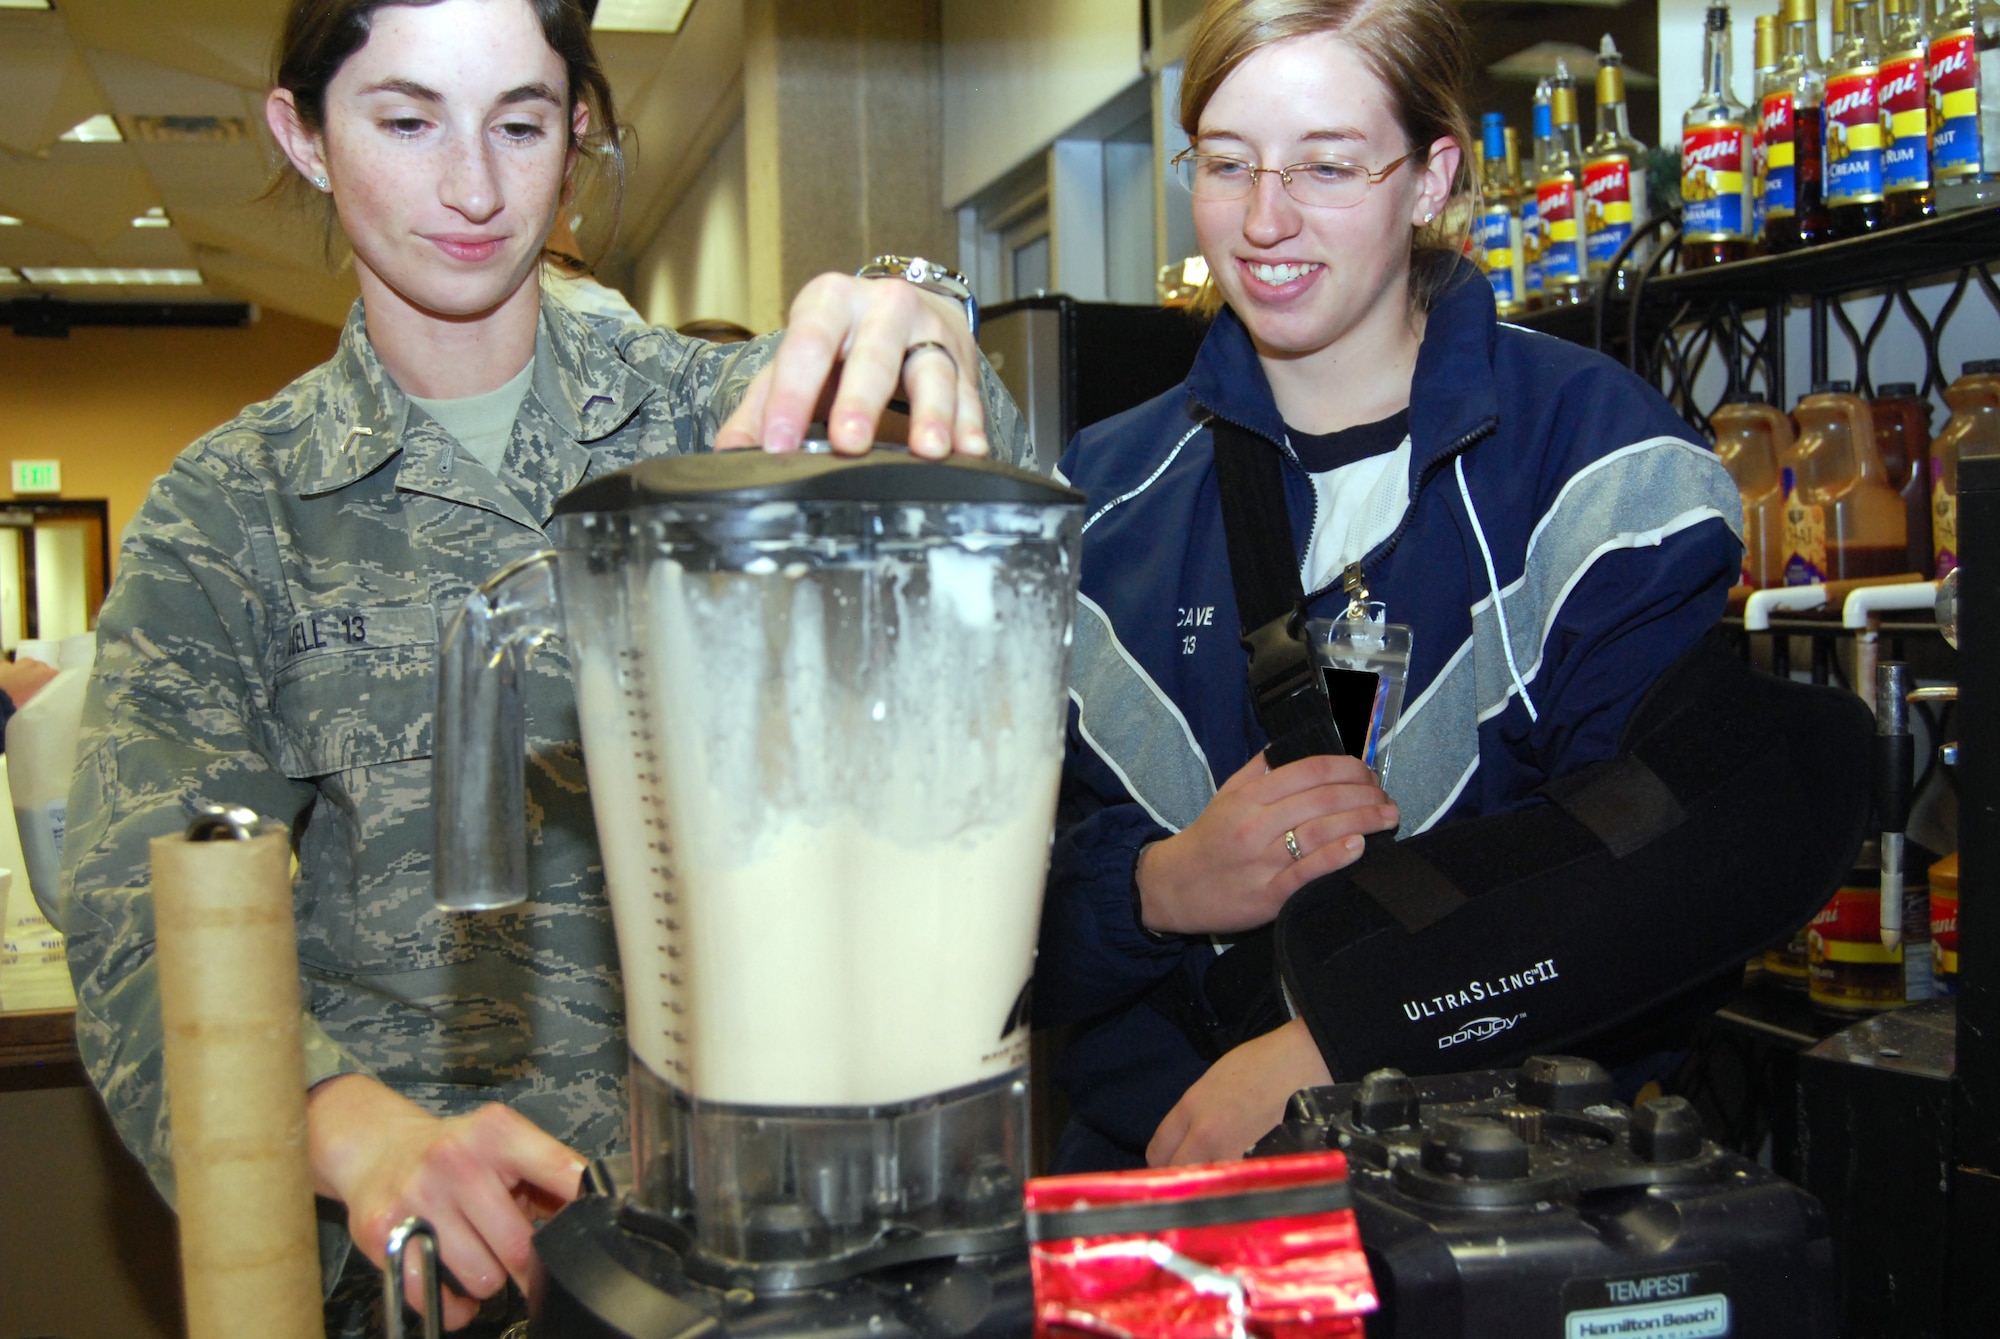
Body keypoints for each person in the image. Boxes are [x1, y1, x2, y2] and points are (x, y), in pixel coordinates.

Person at [56, 1, 1024, 1334]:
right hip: (435, 1274)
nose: (471, 186)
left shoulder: (721, 426)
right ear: (307, 133)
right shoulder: (238, 515)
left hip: (761, 1250)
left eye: (519, 123)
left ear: (576, 130)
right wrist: (347, 1129)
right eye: (405, 120)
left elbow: (987, 561)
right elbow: (141, 913)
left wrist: (921, 337)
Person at [1036, 0, 1744, 1172]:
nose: (1263, 220)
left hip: (1489, 1206)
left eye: (1325, 164)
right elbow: (970, 939)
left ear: (1429, 178)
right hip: (1153, 1205)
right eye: (1225, 163)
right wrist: (1158, 886)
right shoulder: (1094, 501)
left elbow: (1661, 882)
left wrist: (1353, 1037)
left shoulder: (1602, 467)